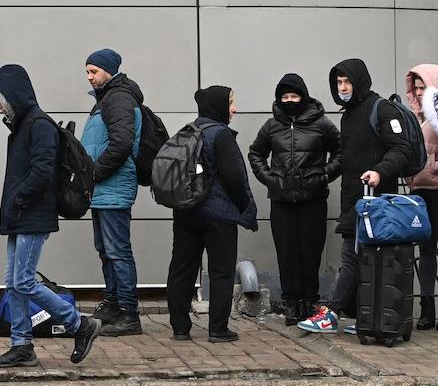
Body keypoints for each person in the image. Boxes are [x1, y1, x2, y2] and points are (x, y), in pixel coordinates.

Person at [0, 64, 100, 368]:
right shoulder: (24, 126)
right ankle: (22, 345)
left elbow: (43, 172)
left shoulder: (40, 125)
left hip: (32, 216)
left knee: (23, 282)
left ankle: (79, 324)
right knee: (13, 282)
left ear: (13, 97)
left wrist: (19, 199)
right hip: (20, 216)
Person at [299, 59, 415, 334]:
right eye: (339, 83)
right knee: (364, 260)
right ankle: (367, 316)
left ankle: (333, 313)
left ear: (360, 81)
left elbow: (402, 149)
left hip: (377, 201)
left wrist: (379, 171)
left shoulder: (381, 109)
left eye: (347, 82)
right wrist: (322, 174)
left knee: (352, 257)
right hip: (354, 199)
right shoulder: (348, 114)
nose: (343, 87)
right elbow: (349, 159)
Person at [166, 86, 258, 343]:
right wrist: (244, 207)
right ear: (218, 106)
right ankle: (218, 329)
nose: (234, 108)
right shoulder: (221, 135)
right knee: (221, 271)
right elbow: (234, 178)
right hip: (218, 215)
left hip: (186, 211)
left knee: (182, 268)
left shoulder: (188, 131)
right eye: (230, 102)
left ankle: (180, 328)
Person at [248, 74, 341, 326]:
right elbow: (256, 153)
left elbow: (341, 152)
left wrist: (324, 175)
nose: (290, 101)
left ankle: (310, 302)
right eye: (285, 97)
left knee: (310, 251)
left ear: (304, 96)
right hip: (282, 200)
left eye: (294, 96)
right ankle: (291, 303)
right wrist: (270, 178)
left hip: (313, 198)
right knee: (287, 251)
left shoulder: (322, 124)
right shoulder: (271, 125)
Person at [79, 49, 144, 336]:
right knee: (106, 249)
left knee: (117, 251)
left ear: (109, 70)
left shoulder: (118, 98)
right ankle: (112, 303)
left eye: (94, 71)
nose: (90, 77)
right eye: (87, 72)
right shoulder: (107, 98)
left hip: (113, 185)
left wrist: (93, 173)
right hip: (104, 188)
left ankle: (129, 313)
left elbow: (121, 145)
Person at [404, 64, 438, 330]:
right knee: (425, 250)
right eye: (415, 87)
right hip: (418, 192)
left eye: (423, 86)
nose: (418, 91)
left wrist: (435, 165)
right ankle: (426, 309)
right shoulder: (410, 115)